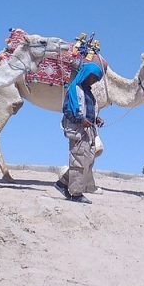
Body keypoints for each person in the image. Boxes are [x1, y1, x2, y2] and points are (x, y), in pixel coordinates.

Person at [54, 58, 105, 204]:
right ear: (86, 74)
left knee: (87, 161)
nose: (93, 81)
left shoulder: (89, 93)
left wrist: (96, 119)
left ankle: (62, 183)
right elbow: (68, 110)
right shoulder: (74, 89)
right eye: (93, 78)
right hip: (77, 131)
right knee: (79, 161)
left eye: (96, 80)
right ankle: (76, 194)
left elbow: (88, 111)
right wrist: (80, 120)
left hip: (89, 131)